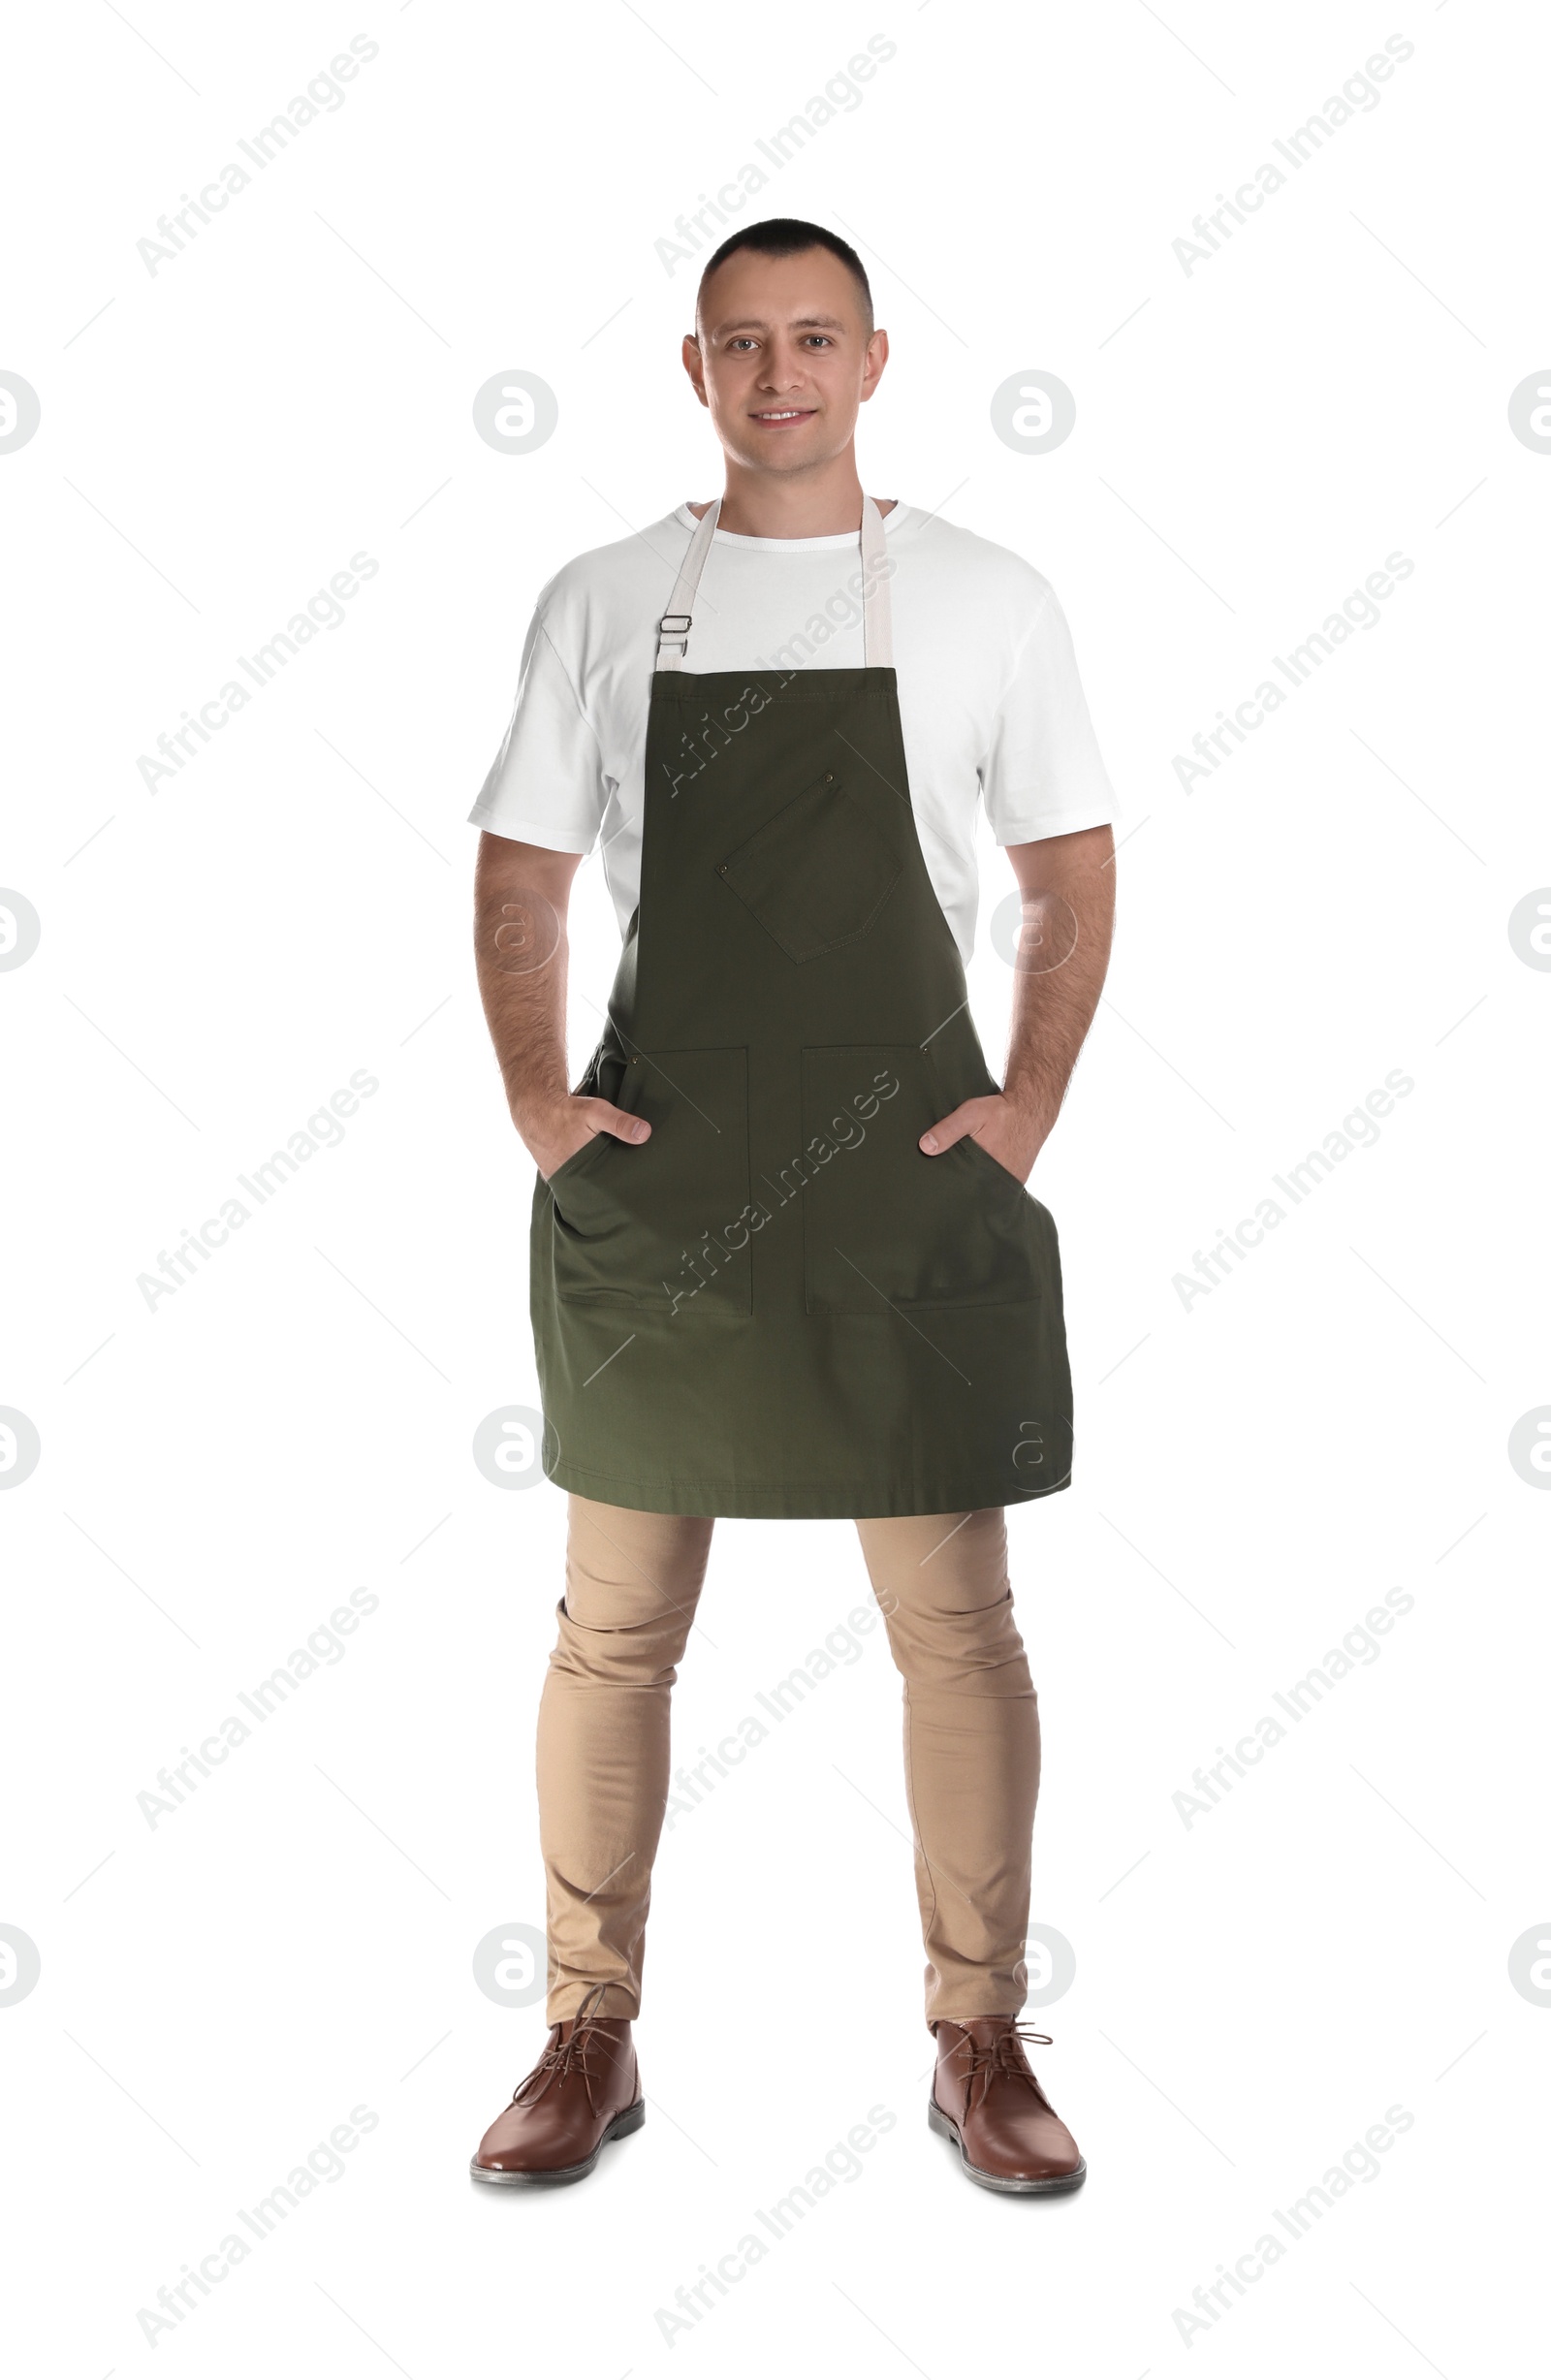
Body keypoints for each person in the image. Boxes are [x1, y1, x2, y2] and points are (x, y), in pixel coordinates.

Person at [466, 218, 1117, 2194]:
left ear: (871, 359)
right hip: (665, 1188)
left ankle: (978, 2033)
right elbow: (519, 876)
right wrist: (538, 1104)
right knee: (614, 1628)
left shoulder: (983, 595)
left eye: (812, 338)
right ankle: (587, 2027)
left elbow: (1069, 870)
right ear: (692, 369)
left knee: (954, 1626)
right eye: (741, 344)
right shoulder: (601, 598)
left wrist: (1019, 1110)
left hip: (907, 1177)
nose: (779, 376)